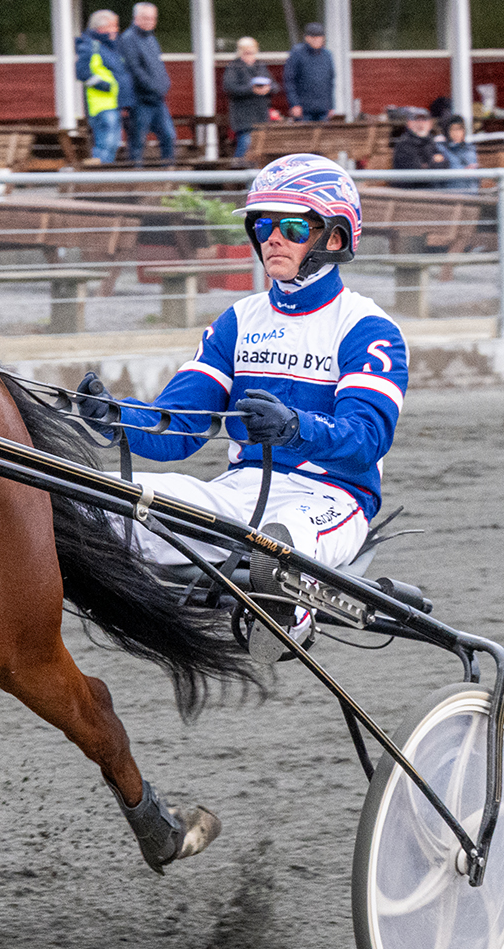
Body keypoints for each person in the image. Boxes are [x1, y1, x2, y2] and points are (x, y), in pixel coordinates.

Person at [73, 153, 407, 655]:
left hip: (332, 500)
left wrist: (295, 427)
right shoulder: (237, 320)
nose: (273, 237)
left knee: (279, 540)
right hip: (240, 492)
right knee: (94, 502)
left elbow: (366, 441)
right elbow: (182, 427)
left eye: (293, 226)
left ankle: (289, 616)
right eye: (264, 224)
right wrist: (119, 418)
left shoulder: (368, 328)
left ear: (334, 238)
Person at [116, 2, 177, 167]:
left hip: (158, 99)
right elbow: (135, 70)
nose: (151, 21)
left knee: (169, 136)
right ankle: (136, 181)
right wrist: (154, 87)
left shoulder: (151, 38)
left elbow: (158, 66)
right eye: (146, 18)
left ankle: (169, 177)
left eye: (153, 18)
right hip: (140, 100)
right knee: (137, 141)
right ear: (136, 18)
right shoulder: (128, 39)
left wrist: (165, 84)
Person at [74, 9, 133, 165]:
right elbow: (82, 73)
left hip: (114, 104)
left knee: (113, 145)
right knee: (104, 146)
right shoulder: (90, 46)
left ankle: (103, 179)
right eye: (112, 26)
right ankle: (96, 180)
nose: (116, 30)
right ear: (100, 28)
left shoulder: (110, 47)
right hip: (100, 106)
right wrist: (105, 86)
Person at [222, 36, 274, 160]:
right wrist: (252, 89)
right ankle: (237, 173)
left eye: (252, 52)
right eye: (246, 52)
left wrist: (268, 89)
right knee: (245, 145)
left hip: (261, 115)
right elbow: (230, 87)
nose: (250, 55)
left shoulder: (261, 66)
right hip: (243, 116)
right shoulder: (233, 67)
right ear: (240, 52)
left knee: (259, 147)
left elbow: (275, 85)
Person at [284, 22, 335, 121]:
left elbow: (330, 82)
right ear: (307, 38)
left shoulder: (327, 55)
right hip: (303, 109)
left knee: (324, 135)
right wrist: (295, 104)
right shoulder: (297, 54)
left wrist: (331, 105)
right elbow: (289, 81)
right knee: (304, 136)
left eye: (319, 37)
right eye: (313, 37)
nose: (316, 40)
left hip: (323, 108)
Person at [389, 107, 450, 173]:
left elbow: (446, 164)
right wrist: (433, 161)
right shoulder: (403, 145)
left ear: (430, 124)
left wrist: (427, 165)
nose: (421, 123)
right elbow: (415, 169)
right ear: (409, 123)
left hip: (432, 182)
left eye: (424, 120)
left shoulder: (432, 143)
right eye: (417, 119)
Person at [435, 114, 479, 191]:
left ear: (464, 131)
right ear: (447, 131)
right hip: (450, 192)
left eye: (459, 129)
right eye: (453, 129)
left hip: (470, 192)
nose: (456, 133)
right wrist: (464, 171)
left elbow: (474, 171)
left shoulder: (470, 149)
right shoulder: (441, 148)